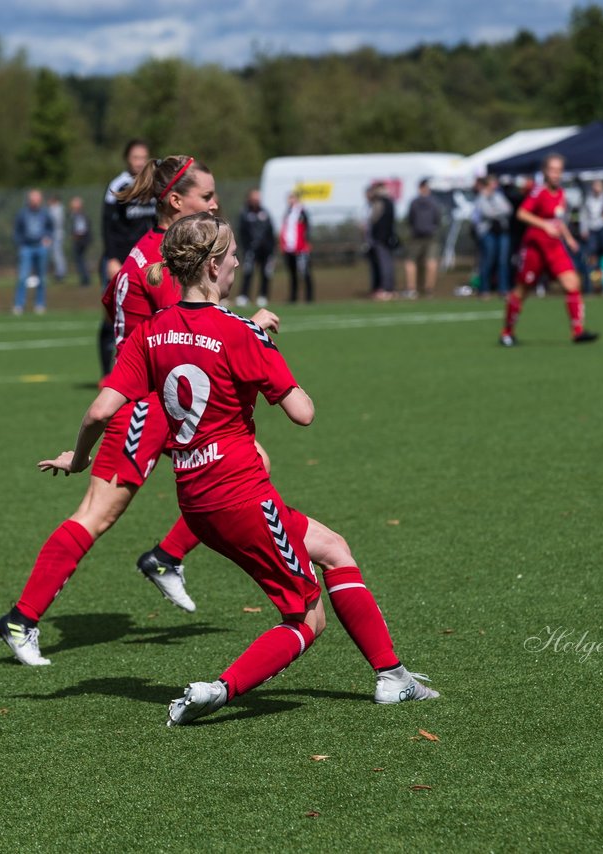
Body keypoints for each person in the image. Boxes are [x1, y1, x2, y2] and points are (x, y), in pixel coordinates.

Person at [45, 212, 439, 724]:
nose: (236, 262)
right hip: (243, 497)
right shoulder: (240, 333)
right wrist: (266, 344)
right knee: (306, 617)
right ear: (211, 266)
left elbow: (100, 410)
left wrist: (78, 460)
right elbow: (303, 413)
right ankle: (217, 690)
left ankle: (392, 675)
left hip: (196, 501)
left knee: (334, 548)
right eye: (231, 255)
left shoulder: (152, 331)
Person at [0, 155, 274, 665]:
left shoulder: (144, 256)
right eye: (207, 197)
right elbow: (192, 326)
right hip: (147, 404)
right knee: (95, 514)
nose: (215, 204)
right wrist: (248, 326)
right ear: (176, 201)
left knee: (250, 465)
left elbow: (116, 307)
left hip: (164, 398)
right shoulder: (165, 266)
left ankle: (166, 557)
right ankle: (21, 620)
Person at [501, 154, 599, 346]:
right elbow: (522, 213)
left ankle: (578, 332)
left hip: (554, 248)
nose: (555, 174)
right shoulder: (538, 192)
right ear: (545, 171)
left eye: (559, 170)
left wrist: (569, 238)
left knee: (572, 283)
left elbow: (558, 221)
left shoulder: (561, 194)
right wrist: (543, 225)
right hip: (534, 250)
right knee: (522, 290)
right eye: (552, 170)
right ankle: (507, 332)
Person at [99, 139, 156, 374]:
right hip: (123, 261)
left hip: (150, 262)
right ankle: (107, 375)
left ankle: (146, 372)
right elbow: (106, 225)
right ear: (127, 159)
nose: (140, 162)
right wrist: (112, 258)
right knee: (113, 318)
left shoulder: (154, 185)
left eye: (144, 157)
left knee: (152, 317)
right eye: (136, 157)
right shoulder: (119, 186)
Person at [13, 189, 53, 315]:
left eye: (37, 199)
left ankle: (40, 304)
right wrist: (20, 243)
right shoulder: (22, 214)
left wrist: (48, 238)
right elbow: (16, 231)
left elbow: (50, 228)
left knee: (41, 277)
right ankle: (19, 305)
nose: (35, 201)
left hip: (40, 247)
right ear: (29, 200)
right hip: (27, 247)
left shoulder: (45, 214)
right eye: (32, 199)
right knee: (22, 277)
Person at [474, 175, 512, 298]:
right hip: (487, 232)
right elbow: (486, 213)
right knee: (488, 260)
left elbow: (508, 209)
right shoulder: (481, 197)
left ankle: (503, 289)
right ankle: (484, 289)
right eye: (493, 183)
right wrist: (499, 212)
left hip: (501, 231)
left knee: (503, 261)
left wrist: (496, 212)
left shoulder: (498, 196)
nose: (495, 185)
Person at [235, 188, 275, 307]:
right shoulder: (245, 214)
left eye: (258, 198)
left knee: (265, 273)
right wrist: (246, 246)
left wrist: (271, 248)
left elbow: (270, 231)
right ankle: (244, 296)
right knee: (248, 273)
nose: (257, 200)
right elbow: (242, 232)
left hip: (265, 251)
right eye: (254, 198)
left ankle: (262, 296)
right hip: (250, 249)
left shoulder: (265, 213)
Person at [404, 179, 442, 298]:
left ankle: (411, 289)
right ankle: (429, 289)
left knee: (410, 261)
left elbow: (410, 218)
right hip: (431, 235)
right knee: (431, 261)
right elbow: (438, 218)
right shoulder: (434, 202)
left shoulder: (414, 202)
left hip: (416, 235)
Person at [280, 192, 315, 304]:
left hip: (301, 249)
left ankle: (309, 297)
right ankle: (293, 297)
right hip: (289, 249)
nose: (291, 201)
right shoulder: (287, 213)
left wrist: (306, 243)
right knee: (293, 274)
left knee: (305, 272)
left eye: (293, 198)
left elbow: (307, 228)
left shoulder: (302, 212)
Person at [365, 182, 397, 300]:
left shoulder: (380, 202)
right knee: (387, 264)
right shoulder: (390, 202)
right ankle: (387, 288)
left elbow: (373, 220)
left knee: (384, 265)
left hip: (380, 238)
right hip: (387, 238)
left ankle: (386, 289)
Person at [69, 196, 92, 287]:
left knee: (80, 260)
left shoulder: (79, 216)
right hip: (82, 240)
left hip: (80, 241)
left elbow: (81, 229)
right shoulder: (78, 215)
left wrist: (76, 236)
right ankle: (85, 278)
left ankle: (85, 278)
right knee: (80, 260)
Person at [47, 194, 67, 282]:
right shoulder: (55, 209)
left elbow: (54, 222)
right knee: (55, 254)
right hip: (54, 234)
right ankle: (58, 272)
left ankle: (60, 273)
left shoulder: (57, 209)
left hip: (56, 235)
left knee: (57, 254)